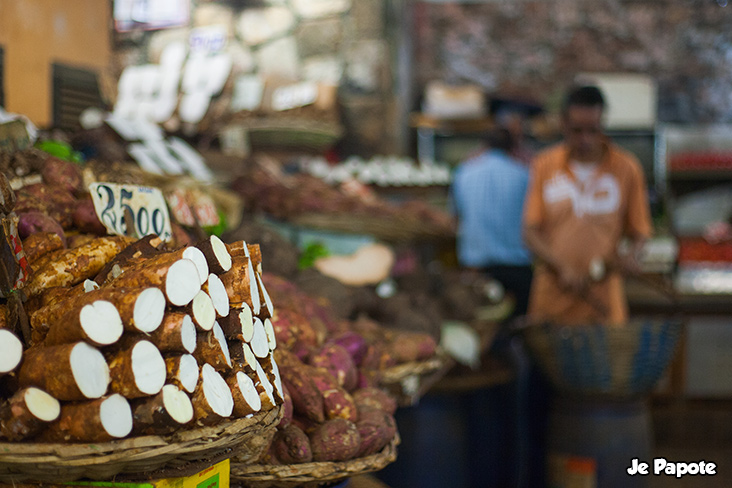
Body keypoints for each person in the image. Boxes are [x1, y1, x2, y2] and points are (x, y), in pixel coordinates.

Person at [522, 85, 652, 326]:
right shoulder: (544, 166)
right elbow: (530, 232)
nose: (585, 139)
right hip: (553, 298)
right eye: (577, 130)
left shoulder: (626, 168)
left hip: (602, 301)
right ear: (563, 124)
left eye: (593, 130)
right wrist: (562, 268)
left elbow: (640, 231)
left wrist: (631, 256)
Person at [451, 127, 533, 316]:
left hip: (476, 271)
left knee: (482, 333)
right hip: (518, 270)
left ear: (484, 146)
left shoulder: (464, 173)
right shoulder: (524, 175)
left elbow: (455, 220)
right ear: (513, 148)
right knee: (518, 331)